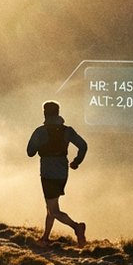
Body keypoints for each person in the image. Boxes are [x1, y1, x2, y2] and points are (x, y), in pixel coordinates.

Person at [26, 100, 88, 246]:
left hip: (48, 173)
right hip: (62, 172)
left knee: (53, 210)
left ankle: (77, 227)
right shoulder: (67, 130)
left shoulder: (40, 131)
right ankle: (45, 238)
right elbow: (83, 146)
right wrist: (76, 162)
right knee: (51, 206)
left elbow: (30, 152)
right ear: (58, 112)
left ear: (45, 113)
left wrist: (41, 145)